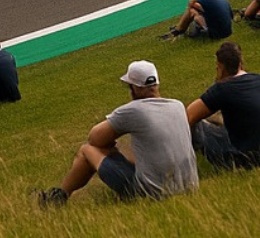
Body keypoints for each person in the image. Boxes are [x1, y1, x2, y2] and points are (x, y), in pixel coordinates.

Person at [36, 60, 197, 206]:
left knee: (87, 150)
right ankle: (59, 196)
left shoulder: (134, 110)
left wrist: (112, 146)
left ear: (134, 87)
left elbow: (94, 138)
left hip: (153, 194)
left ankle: (58, 197)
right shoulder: (178, 106)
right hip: (189, 186)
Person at [185, 41, 260, 169]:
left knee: (199, 125)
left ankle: (185, 161)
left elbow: (190, 115)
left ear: (221, 67)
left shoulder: (223, 88)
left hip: (249, 160)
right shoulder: (259, 79)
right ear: (240, 63)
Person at [164, 0, 234, 40]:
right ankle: (179, 29)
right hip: (228, 31)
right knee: (198, 12)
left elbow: (191, 2)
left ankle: (178, 30)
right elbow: (231, 15)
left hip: (216, 34)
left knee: (192, 11)